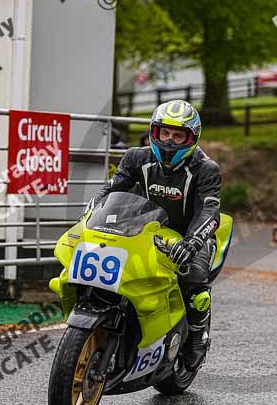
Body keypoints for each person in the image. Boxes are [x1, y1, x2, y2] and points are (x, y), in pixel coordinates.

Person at [92, 99, 222, 370]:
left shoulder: (206, 169)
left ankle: (198, 337)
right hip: (144, 229)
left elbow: (209, 210)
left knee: (194, 279)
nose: (170, 142)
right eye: (165, 133)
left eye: (178, 135)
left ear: (192, 138)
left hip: (190, 234)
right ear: (154, 132)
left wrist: (193, 242)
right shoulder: (136, 157)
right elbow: (112, 190)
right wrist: (90, 217)